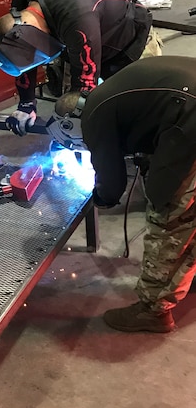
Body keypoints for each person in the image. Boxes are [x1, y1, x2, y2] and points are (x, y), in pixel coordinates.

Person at [56, 55, 196, 334]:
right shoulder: (110, 91)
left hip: (191, 117)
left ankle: (153, 311)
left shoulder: (94, 116)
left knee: (168, 211)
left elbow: (111, 178)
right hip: (188, 102)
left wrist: (102, 198)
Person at [0, 0, 162, 136]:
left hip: (128, 39)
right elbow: (25, 57)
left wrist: (73, 133)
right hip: (82, 37)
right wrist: (26, 103)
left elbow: (85, 91)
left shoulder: (78, 18)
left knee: (139, 117)